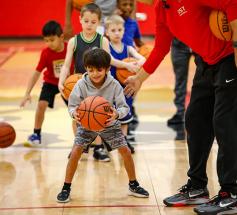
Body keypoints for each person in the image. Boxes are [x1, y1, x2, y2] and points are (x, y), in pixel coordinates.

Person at [124, 0, 237, 214]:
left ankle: (230, 192)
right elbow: (160, 48)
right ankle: (197, 187)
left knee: (224, 124)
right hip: (206, 62)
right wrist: (139, 78)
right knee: (195, 120)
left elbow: (232, 3)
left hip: (229, 59)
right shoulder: (161, 9)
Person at [56, 48, 149, 203]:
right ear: (86, 68)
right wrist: (75, 114)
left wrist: (116, 114)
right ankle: (66, 187)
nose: (95, 73)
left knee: (125, 151)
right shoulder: (80, 84)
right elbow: (72, 105)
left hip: (109, 123)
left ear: (106, 69)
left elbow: (124, 107)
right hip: (86, 124)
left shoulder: (114, 85)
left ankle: (133, 184)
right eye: (91, 70)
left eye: (99, 70)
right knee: (75, 152)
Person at [59, 3, 139, 161]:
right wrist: (61, 81)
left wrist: (127, 65)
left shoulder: (102, 40)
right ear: (80, 19)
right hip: (80, 83)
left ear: (99, 22)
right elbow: (67, 64)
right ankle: (80, 145)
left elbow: (111, 61)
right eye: (86, 21)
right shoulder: (74, 41)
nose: (89, 24)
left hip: (98, 84)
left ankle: (98, 147)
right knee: (77, 117)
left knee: (97, 114)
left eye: (93, 22)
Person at [20, 20, 74, 145]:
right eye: (46, 40)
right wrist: (27, 93)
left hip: (67, 84)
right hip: (51, 82)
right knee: (41, 105)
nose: (49, 43)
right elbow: (36, 73)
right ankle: (36, 134)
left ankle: (83, 136)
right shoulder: (46, 53)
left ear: (61, 37)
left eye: (51, 40)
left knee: (76, 110)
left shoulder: (70, 48)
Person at [105, 14, 146, 153]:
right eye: (113, 30)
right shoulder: (107, 46)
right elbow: (110, 60)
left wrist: (135, 63)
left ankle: (123, 141)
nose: (117, 33)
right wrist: (126, 65)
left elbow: (143, 59)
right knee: (109, 115)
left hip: (126, 87)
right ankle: (110, 140)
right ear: (107, 32)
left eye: (119, 30)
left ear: (124, 31)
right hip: (110, 88)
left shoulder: (128, 47)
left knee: (125, 115)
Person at [167, 38, 193, 126]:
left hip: (200, 41)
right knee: (180, 79)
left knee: (205, 77)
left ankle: (207, 111)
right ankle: (180, 112)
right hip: (178, 45)